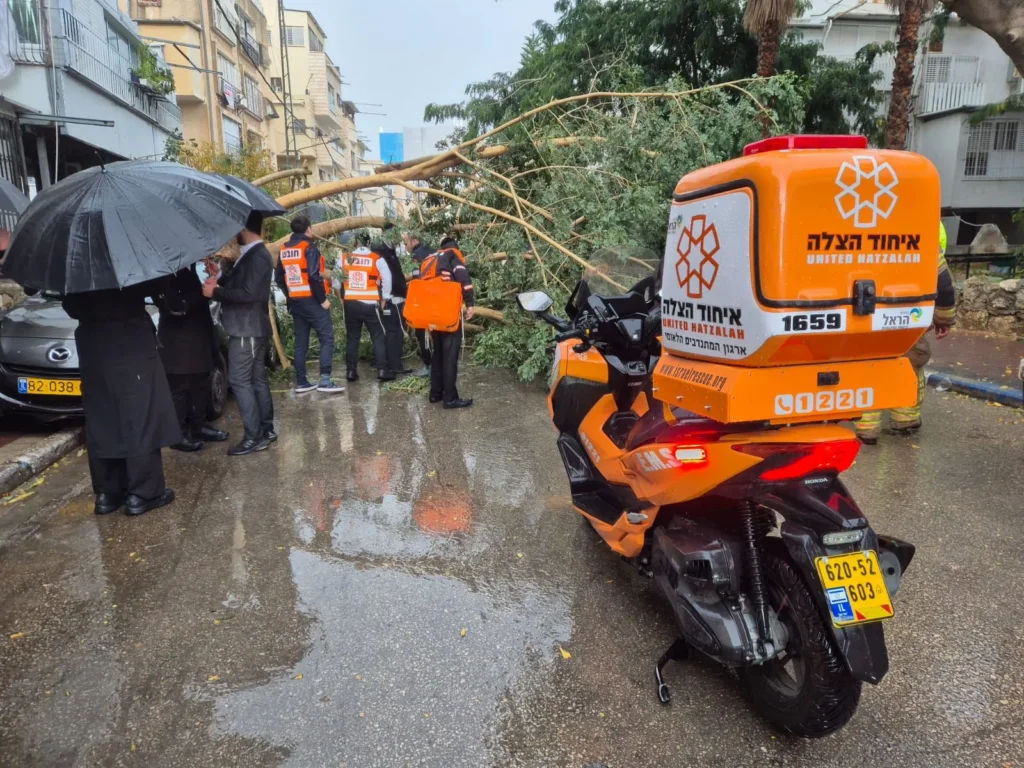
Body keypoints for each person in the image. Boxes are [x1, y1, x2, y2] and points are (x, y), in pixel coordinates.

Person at [63, 280, 180, 517]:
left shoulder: (78, 265)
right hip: (130, 342)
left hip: (93, 345)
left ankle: (108, 492)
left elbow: (70, 306)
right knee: (140, 415)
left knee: (102, 417)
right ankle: (143, 493)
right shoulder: (124, 261)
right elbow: (155, 289)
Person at [856, 221, 957, 444]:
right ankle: (905, 420)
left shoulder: (860, 232)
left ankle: (867, 428)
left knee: (867, 366)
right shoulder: (925, 232)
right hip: (908, 317)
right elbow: (944, 285)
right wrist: (944, 319)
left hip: (866, 314)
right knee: (911, 361)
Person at [203, 212, 276, 456]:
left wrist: (214, 293)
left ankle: (254, 437)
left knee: (240, 381)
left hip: (247, 329)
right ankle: (266, 430)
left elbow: (248, 294)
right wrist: (219, 276)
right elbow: (241, 285)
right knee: (256, 380)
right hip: (251, 328)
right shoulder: (252, 255)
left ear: (244, 228)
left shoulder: (257, 256)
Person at [154, 265, 229, 452]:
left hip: (199, 338)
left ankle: (199, 426)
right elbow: (174, 306)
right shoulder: (164, 272)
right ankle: (178, 435)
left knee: (201, 385)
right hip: (178, 344)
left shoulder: (189, 268)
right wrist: (203, 294)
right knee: (179, 390)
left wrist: (211, 283)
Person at [275, 214, 343, 394]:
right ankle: (325, 380)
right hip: (312, 300)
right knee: (327, 338)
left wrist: (289, 295)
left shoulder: (283, 249)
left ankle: (301, 381)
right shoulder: (309, 248)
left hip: (295, 302)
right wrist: (323, 300)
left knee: (300, 342)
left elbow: (279, 278)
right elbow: (314, 276)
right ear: (308, 230)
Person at [420, 237, 475, 409]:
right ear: (455, 248)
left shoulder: (428, 260)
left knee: (438, 353)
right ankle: (450, 398)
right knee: (450, 355)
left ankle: (435, 393)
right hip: (448, 313)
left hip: (431, 314)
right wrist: (470, 304)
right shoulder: (453, 255)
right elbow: (464, 279)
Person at [340, 235, 392, 382]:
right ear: (369, 242)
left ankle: (351, 371)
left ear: (354, 242)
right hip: (370, 304)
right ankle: (382, 370)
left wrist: (340, 297)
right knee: (377, 336)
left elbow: (337, 280)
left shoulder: (345, 257)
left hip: (350, 303)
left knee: (352, 338)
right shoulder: (377, 259)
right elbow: (387, 278)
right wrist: (384, 298)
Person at [374, 239, 414, 376]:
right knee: (393, 333)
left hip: (394, 299)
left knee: (395, 332)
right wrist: (385, 297)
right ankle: (394, 365)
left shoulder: (386, 256)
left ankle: (395, 364)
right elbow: (386, 278)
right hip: (392, 300)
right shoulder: (385, 257)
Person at [402, 232, 433, 376]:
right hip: (437, 298)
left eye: (405, 243)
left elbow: (416, 280)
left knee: (421, 333)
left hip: (423, 300)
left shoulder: (416, 256)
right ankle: (438, 365)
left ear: (413, 241)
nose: (405, 246)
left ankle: (429, 366)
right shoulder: (433, 251)